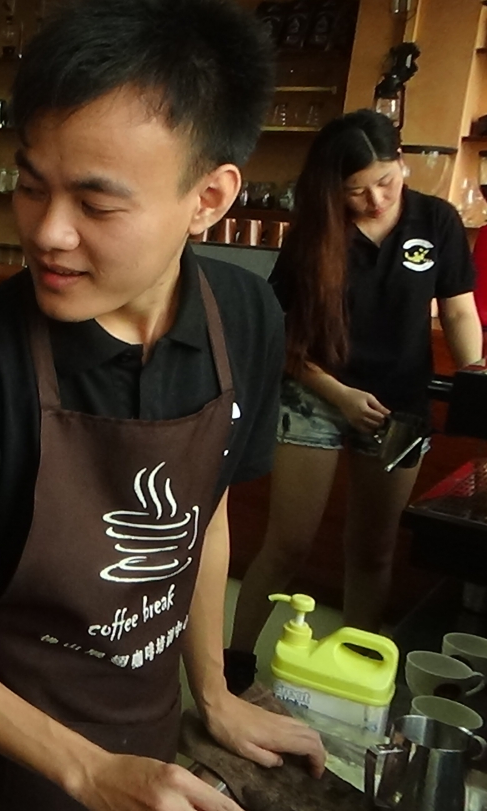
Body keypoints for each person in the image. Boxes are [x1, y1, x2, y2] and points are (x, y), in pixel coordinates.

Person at [0, 1, 328, 809]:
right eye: (30, 186)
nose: (49, 232)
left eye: (97, 205)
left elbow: (204, 514)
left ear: (210, 197)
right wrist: (86, 769)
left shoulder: (244, 321)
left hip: (149, 753)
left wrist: (212, 692)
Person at [229, 111, 483, 670]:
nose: (375, 200)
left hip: (400, 405)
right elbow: (283, 337)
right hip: (316, 395)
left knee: (373, 550)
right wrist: (339, 394)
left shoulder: (436, 220)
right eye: (356, 191)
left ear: (401, 163)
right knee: (288, 544)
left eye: (385, 182)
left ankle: (354, 669)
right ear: (334, 189)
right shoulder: (317, 233)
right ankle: (234, 663)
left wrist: (476, 379)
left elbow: (459, 311)